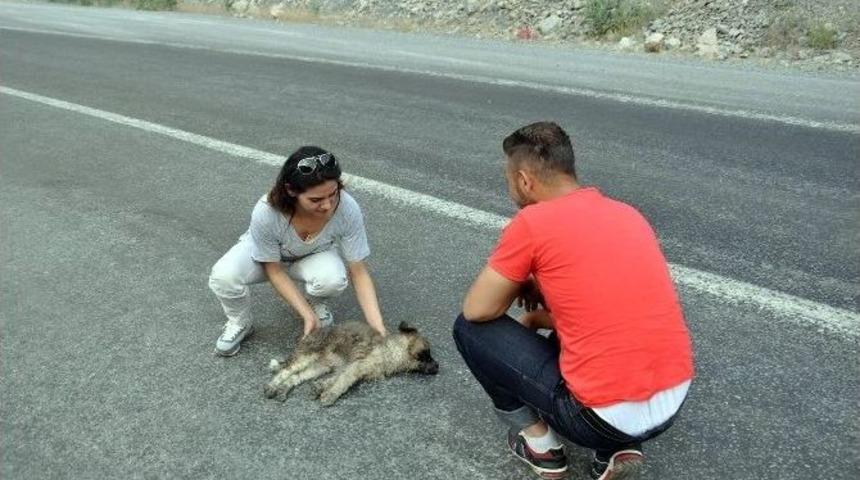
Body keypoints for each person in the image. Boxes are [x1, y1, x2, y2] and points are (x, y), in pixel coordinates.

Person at [452, 122, 694, 480]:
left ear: (524, 180)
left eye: (508, 179)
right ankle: (617, 447)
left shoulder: (532, 222)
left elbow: (478, 309)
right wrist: (539, 310)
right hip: (673, 401)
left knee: (469, 329)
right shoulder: (627, 213)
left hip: (597, 418)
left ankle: (541, 445)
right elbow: (603, 311)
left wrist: (521, 288)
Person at [209, 146, 387, 356]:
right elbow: (274, 270)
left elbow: (359, 272)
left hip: (314, 252)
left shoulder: (347, 208)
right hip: (267, 257)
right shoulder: (266, 211)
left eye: (333, 194)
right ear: (291, 191)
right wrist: (306, 316)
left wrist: (378, 329)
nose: (327, 206)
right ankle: (240, 322)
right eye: (315, 200)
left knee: (332, 279)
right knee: (224, 276)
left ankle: (315, 302)